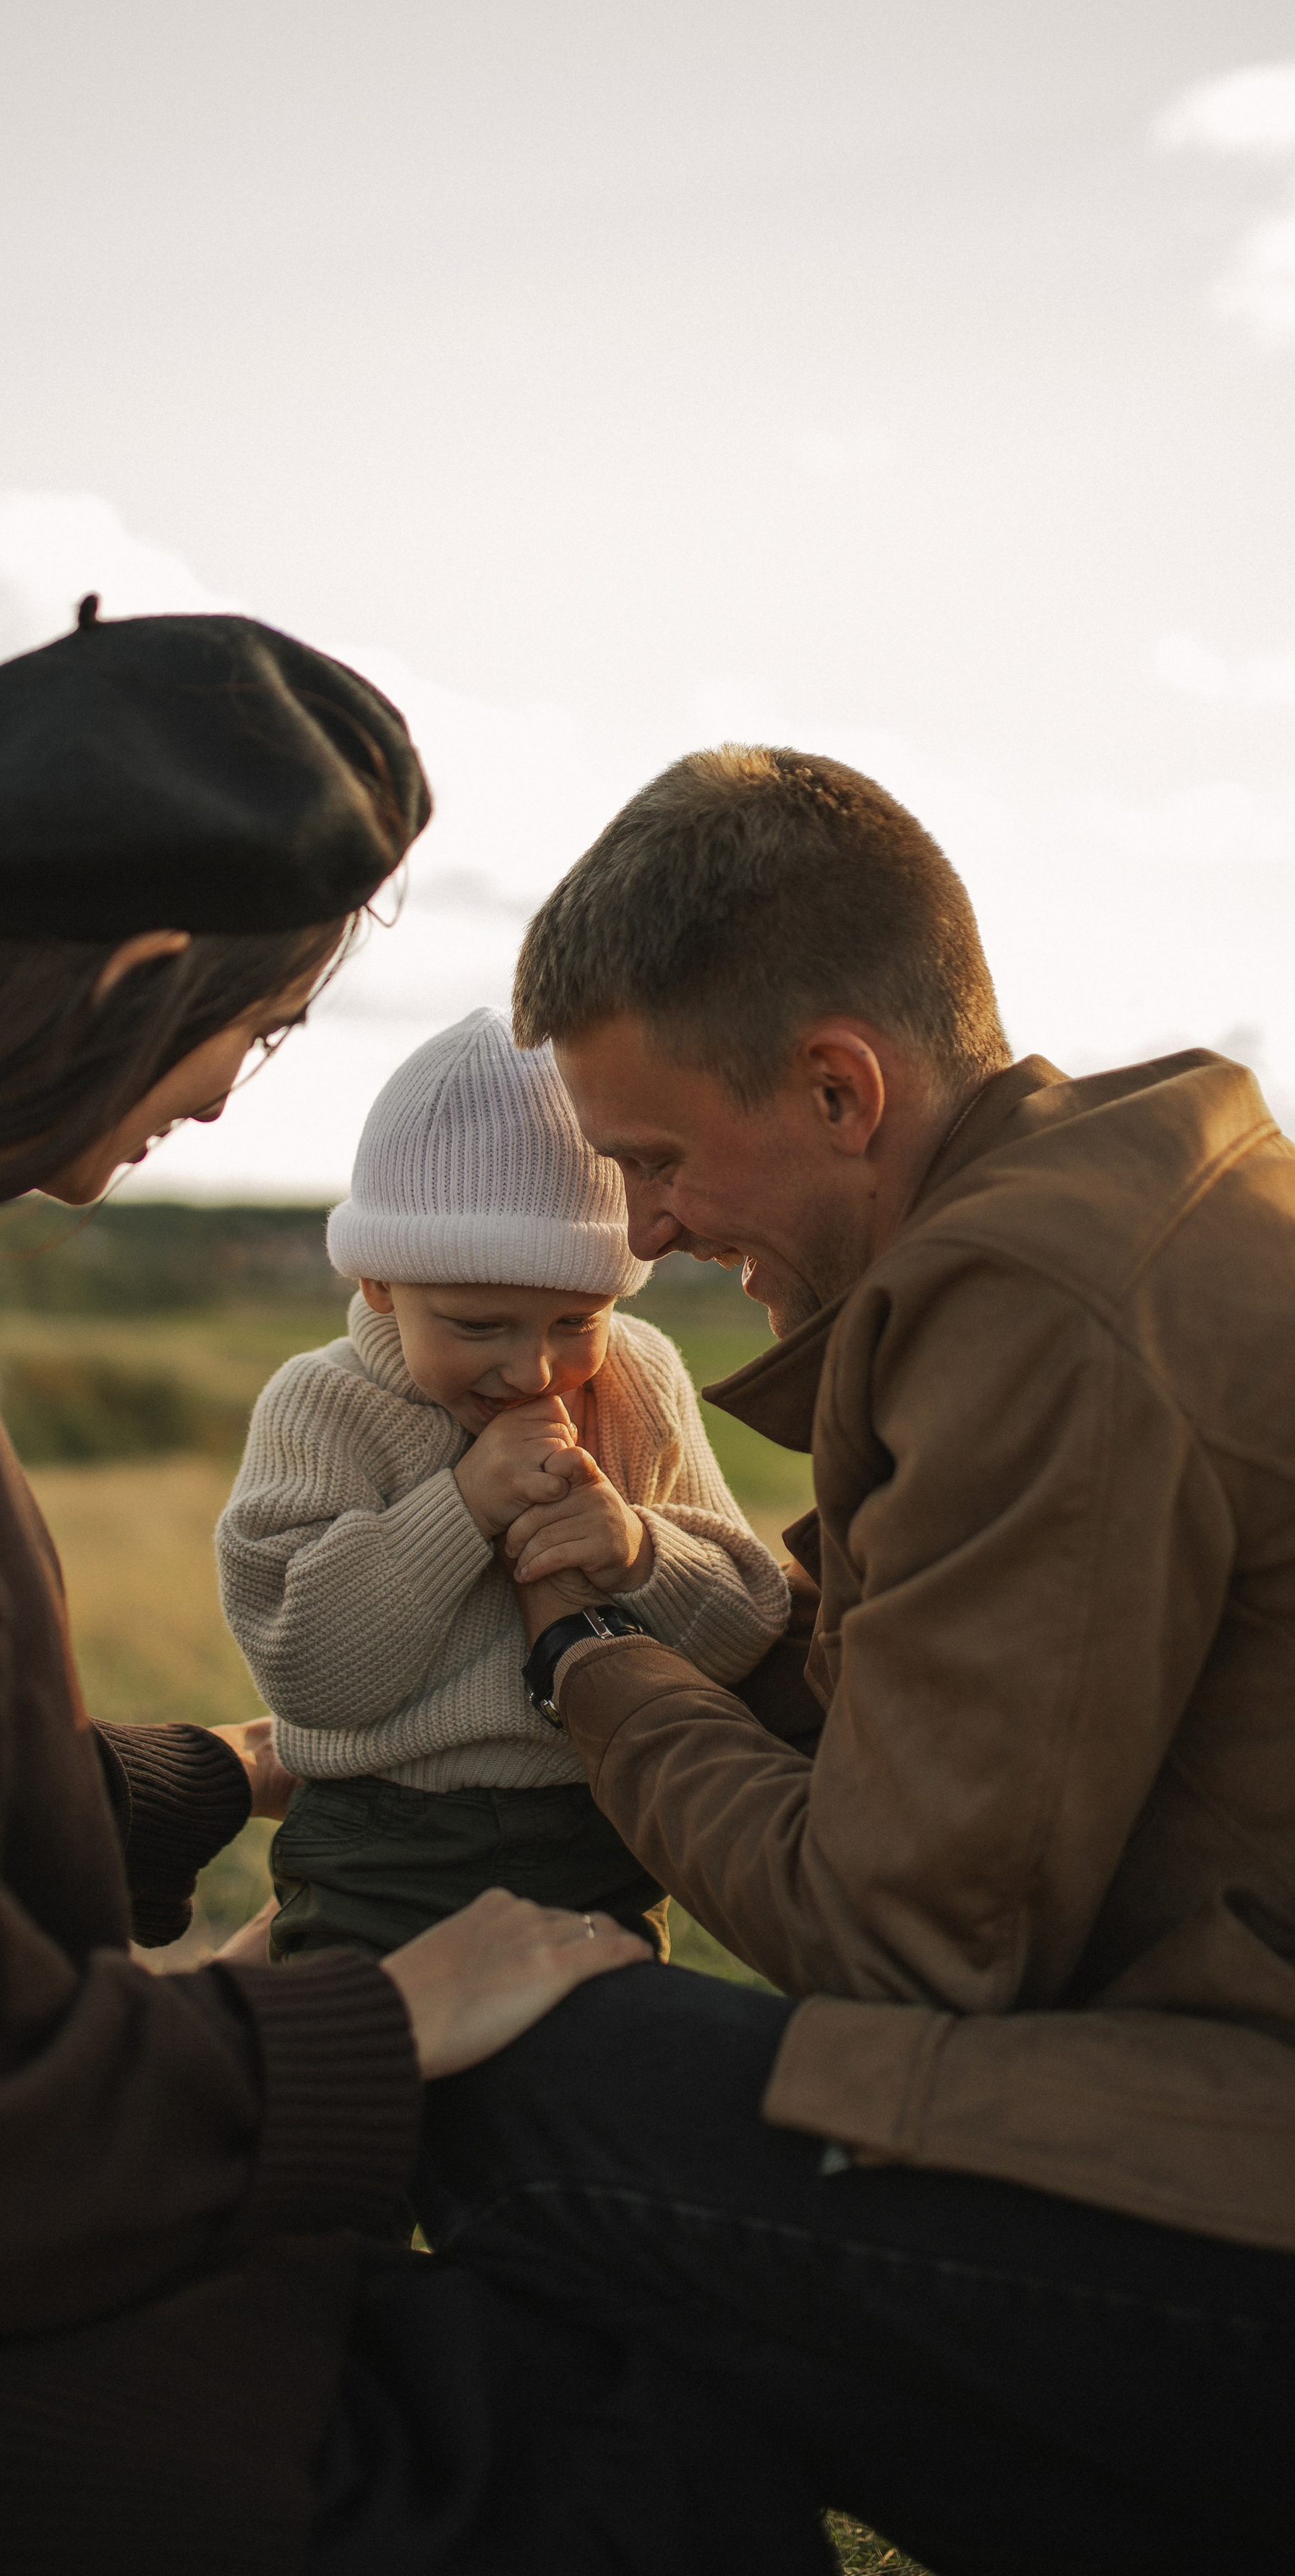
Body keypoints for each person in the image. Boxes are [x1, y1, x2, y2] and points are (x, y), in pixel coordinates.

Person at [0, 611, 837, 2576]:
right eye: (256, 1032)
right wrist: (376, 2015)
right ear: (131, 971)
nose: (224, 1096)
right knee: (612, 2455)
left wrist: (215, 1778)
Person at [413, 743, 1295, 2572]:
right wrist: (692, 1600)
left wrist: (586, 1653)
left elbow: (908, 1941)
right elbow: (927, 1711)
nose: (643, 1231)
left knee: (527, 2097)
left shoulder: (1034, 1302)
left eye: (654, 1162)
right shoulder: (1138, 1201)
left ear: (834, 1086)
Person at [217, 1007, 785, 1962]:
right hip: (384, 1851)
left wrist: (638, 1550)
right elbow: (310, 1675)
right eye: (479, 1326)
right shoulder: (323, 1406)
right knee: (380, 2088)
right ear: (379, 1286)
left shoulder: (636, 1380)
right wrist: (462, 1506)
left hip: (598, 1837)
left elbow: (742, 1631)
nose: (533, 1371)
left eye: (575, 1319)